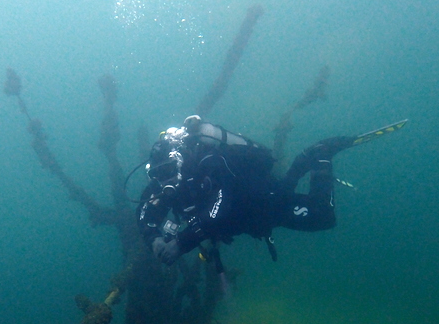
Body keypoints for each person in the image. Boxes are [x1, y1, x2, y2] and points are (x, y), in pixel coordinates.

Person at [137, 114, 360, 266]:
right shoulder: (163, 182)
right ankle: (301, 163)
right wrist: (153, 239)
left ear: (178, 160)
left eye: (168, 170)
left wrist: (180, 243)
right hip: (251, 219)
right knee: (285, 190)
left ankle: (320, 155)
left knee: (323, 216)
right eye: (157, 174)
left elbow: (221, 206)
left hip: (264, 204)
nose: (164, 179)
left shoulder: (209, 162)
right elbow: (144, 211)